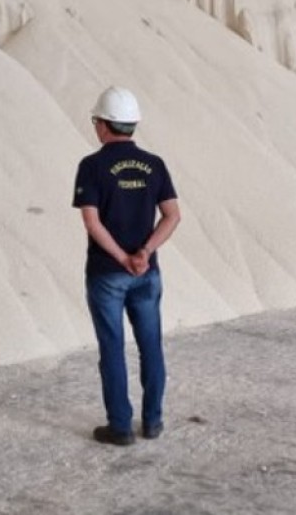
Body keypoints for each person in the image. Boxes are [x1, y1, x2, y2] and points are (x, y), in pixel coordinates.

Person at [73, 86, 181, 446]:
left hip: (107, 273)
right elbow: (172, 215)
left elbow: (91, 222)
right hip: (146, 273)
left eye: (96, 121)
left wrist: (122, 258)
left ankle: (120, 427)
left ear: (104, 125)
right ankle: (152, 421)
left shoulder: (91, 166)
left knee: (112, 348)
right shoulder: (155, 164)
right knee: (151, 346)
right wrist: (144, 252)